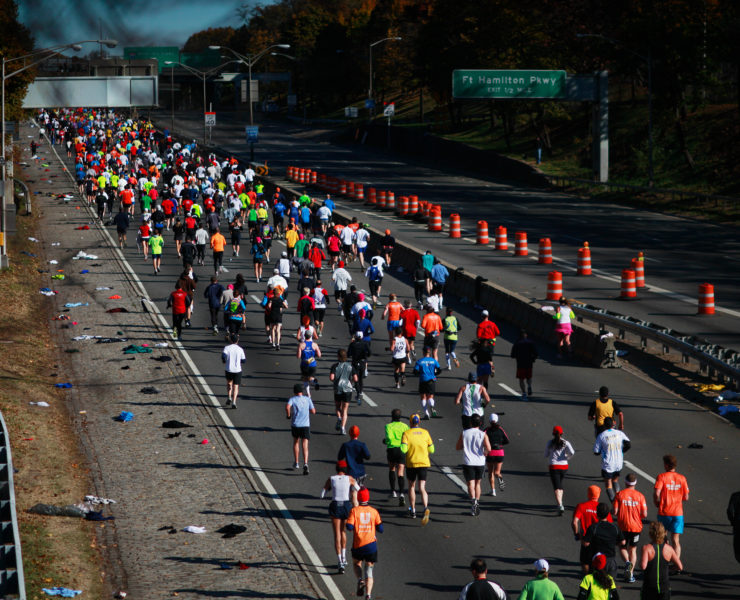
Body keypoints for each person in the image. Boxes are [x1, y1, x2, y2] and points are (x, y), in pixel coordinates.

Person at [321, 460, 359, 573]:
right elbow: (357, 488)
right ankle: (344, 557)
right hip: (346, 506)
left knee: (336, 533)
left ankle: (339, 561)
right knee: (343, 532)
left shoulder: (331, 478)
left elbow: (322, 494)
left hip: (335, 505)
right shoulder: (349, 478)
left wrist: (329, 491)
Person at [346, 487, 383, 600]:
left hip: (358, 545)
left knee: (357, 563)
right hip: (371, 545)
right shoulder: (374, 511)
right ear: (368, 497)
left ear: (358, 497)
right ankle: (368, 594)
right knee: (369, 569)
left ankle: (360, 580)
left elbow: (349, 527)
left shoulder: (354, 511)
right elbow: (381, 529)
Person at [653, 454, 689, 561]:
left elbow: (656, 493)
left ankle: (665, 559)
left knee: (663, 537)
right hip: (678, 513)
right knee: (676, 540)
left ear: (667, 465)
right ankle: (676, 563)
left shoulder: (662, 477)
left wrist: (656, 502)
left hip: (664, 512)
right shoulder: (682, 478)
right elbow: (686, 497)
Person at [613, 473, 648, 582]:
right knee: (633, 549)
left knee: (622, 546)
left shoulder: (619, 495)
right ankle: (631, 573)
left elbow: (615, 512)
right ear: (635, 483)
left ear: (625, 482)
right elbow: (645, 514)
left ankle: (627, 562)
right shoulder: (640, 496)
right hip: (636, 527)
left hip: (622, 526)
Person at [400, 414, 434, 524]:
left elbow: (404, 449)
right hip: (424, 463)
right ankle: (425, 508)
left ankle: (413, 510)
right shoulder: (425, 432)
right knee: (422, 488)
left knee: (411, 486)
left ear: (410, 422)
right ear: (419, 422)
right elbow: (432, 449)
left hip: (411, 463)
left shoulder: (406, 434)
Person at [456, 413, 491, 516]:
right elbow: (489, 448)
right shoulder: (483, 434)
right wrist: (484, 453)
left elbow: (458, 447)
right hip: (480, 462)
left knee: (470, 484)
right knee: (477, 484)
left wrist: (466, 446)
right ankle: (477, 501)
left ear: (470, 422)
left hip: (468, 462)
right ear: (480, 423)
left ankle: (473, 502)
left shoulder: (464, 433)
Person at [573, 486, 613, 573]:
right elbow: (609, 524)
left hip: (586, 539)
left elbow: (574, 522)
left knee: (584, 561)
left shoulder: (581, 506)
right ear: (598, 495)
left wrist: (576, 534)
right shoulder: (603, 508)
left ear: (588, 494)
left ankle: (588, 576)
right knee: (599, 559)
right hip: (600, 539)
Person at [640, 521, 683, 600]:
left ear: (651, 534)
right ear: (663, 533)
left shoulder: (646, 548)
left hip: (649, 586)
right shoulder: (669, 549)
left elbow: (643, 566)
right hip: (664, 586)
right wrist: (668, 568)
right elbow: (679, 566)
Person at [583, 502, 626, 579]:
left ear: (597, 514)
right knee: (610, 584)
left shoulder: (593, 527)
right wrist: (613, 542)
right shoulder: (615, 527)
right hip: (611, 560)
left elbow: (586, 543)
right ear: (608, 514)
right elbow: (623, 542)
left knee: (597, 584)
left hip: (598, 559)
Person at [593, 417, 631, 502]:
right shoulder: (619, 433)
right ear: (613, 424)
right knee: (615, 480)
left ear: (604, 425)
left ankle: (615, 504)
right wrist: (622, 451)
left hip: (608, 464)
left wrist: (602, 451)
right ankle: (620, 499)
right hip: (618, 462)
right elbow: (628, 444)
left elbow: (596, 451)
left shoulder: (602, 435)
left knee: (608, 484)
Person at [286, 383, 316, 475]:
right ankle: (306, 463)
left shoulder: (292, 399)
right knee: (305, 444)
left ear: (294, 392)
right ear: (302, 391)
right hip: (305, 425)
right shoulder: (307, 399)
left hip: (295, 424)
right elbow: (313, 411)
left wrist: (288, 415)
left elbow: (287, 407)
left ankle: (297, 462)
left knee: (296, 442)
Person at [545, 425, 575, 515]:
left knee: (557, 487)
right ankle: (560, 502)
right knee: (560, 485)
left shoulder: (550, 443)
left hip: (554, 467)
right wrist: (567, 457)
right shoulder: (566, 443)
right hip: (564, 467)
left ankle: (560, 505)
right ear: (562, 433)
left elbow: (545, 454)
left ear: (553, 434)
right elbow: (572, 452)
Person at [383, 409, 408, 505]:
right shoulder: (405, 426)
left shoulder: (388, 426)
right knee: (401, 472)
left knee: (392, 468)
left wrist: (386, 441)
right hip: (402, 449)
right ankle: (402, 493)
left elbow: (388, 438)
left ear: (392, 416)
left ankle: (393, 491)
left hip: (392, 449)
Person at [330, 349, 358, 435]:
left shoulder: (335, 366)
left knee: (338, 406)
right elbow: (356, 379)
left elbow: (331, 378)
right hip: (348, 389)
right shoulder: (350, 366)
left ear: (338, 356)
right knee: (345, 409)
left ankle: (339, 418)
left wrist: (336, 380)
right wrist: (350, 382)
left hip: (338, 388)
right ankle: (343, 428)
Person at [484, 413, 509, 496]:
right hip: (500, 452)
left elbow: (481, 439)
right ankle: (500, 479)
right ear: (497, 420)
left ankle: (493, 490)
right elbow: (507, 440)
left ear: (489, 421)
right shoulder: (500, 429)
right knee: (497, 472)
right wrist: (500, 443)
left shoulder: (486, 430)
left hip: (490, 452)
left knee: (490, 472)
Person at [414, 347, 441, 419]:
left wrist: (420, 374)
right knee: (430, 396)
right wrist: (434, 375)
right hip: (431, 380)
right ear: (429, 352)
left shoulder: (420, 361)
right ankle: (432, 406)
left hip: (423, 380)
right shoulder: (434, 361)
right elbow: (439, 370)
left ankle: (426, 413)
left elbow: (415, 371)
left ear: (423, 352)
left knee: (423, 397)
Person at [511, 330, 538, 401]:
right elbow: (536, 353)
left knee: (521, 379)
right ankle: (529, 385)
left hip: (520, 363)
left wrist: (517, 356)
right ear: (526, 335)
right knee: (529, 377)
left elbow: (512, 355)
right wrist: (533, 358)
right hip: (529, 362)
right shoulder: (531, 342)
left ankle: (524, 393)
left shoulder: (517, 343)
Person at [221, 333, 245, 409]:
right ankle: (234, 402)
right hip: (237, 370)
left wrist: (225, 361)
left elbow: (223, 356)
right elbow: (244, 360)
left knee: (229, 383)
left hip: (229, 369)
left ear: (230, 340)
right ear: (237, 340)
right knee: (236, 386)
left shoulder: (227, 348)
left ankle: (229, 396)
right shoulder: (240, 349)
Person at [347, 331, 371, 404]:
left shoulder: (352, 344)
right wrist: (365, 356)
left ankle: (358, 393)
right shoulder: (365, 344)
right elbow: (370, 352)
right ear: (362, 337)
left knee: (356, 378)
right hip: (362, 362)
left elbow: (348, 354)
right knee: (360, 378)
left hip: (355, 362)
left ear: (356, 337)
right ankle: (360, 392)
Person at [297, 330, 321, 396]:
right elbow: (319, 355)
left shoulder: (301, 345)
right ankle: (315, 383)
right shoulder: (315, 345)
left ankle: (308, 394)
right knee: (311, 378)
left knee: (305, 379)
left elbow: (298, 356)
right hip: (312, 364)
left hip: (304, 365)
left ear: (304, 336)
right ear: (311, 336)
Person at [728, 491, 740, 564]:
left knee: (738, 551)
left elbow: (730, 511)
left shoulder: (735, 496)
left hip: (738, 526)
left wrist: (733, 523)